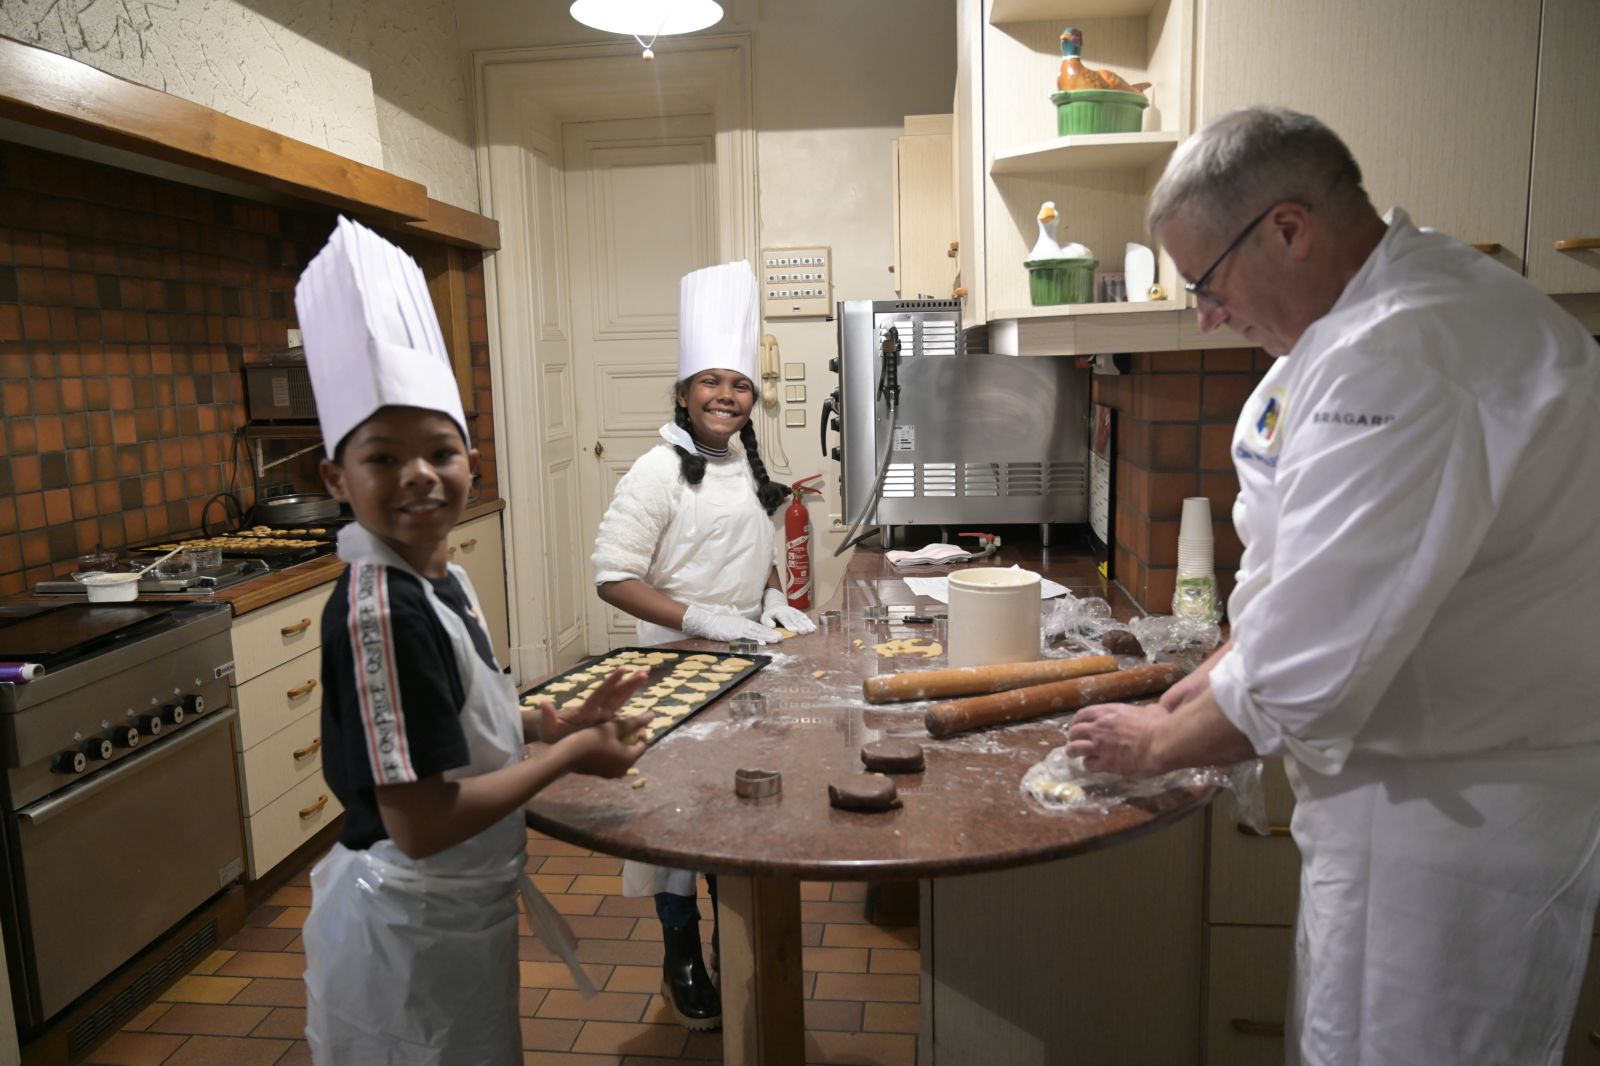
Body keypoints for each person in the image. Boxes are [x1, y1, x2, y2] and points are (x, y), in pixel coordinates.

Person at [1066, 106, 1600, 1065]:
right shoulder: (1354, 324)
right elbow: (1307, 574)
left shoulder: (1410, 351)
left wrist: (1157, 742)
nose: (1207, 315)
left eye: (1208, 281)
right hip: (1393, 798)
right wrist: (1218, 666)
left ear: (1287, 227)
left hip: (1457, 825)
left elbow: (1311, 664)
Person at [295, 217, 650, 1065]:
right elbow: (418, 824)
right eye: (384, 458)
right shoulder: (382, 612)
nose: (419, 474)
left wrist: (539, 726)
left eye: (439, 451)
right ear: (336, 480)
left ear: (471, 461)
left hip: (454, 912)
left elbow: (448, 718)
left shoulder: (438, 574)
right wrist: (569, 760)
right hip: (404, 928)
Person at [590, 259, 817, 1029]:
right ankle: (680, 951)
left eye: (740, 384)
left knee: (736, 809)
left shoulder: (747, 467)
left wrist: (770, 601)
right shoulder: (655, 473)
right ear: (684, 392)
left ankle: (737, 939)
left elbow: (742, 557)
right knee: (678, 823)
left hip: (746, 671)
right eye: (711, 382)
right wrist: (701, 619)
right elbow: (612, 576)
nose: (726, 396)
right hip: (668, 674)